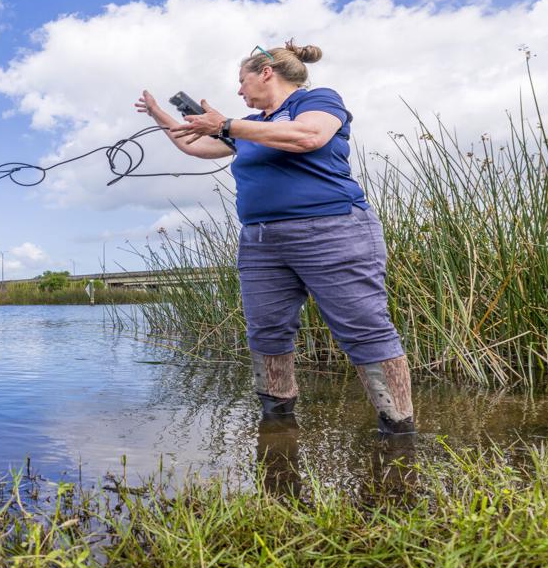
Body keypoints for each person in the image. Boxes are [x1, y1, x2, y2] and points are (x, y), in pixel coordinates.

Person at [135, 41, 415, 435]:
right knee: (266, 329)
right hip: (261, 241)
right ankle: (278, 428)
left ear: (266, 73)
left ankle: (398, 430)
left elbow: (309, 137)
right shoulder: (252, 127)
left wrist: (227, 124)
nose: (238, 91)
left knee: (363, 327)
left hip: (332, 230)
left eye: (242, 81)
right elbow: (193, 145)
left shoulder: (317, 100)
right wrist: (160, 114)